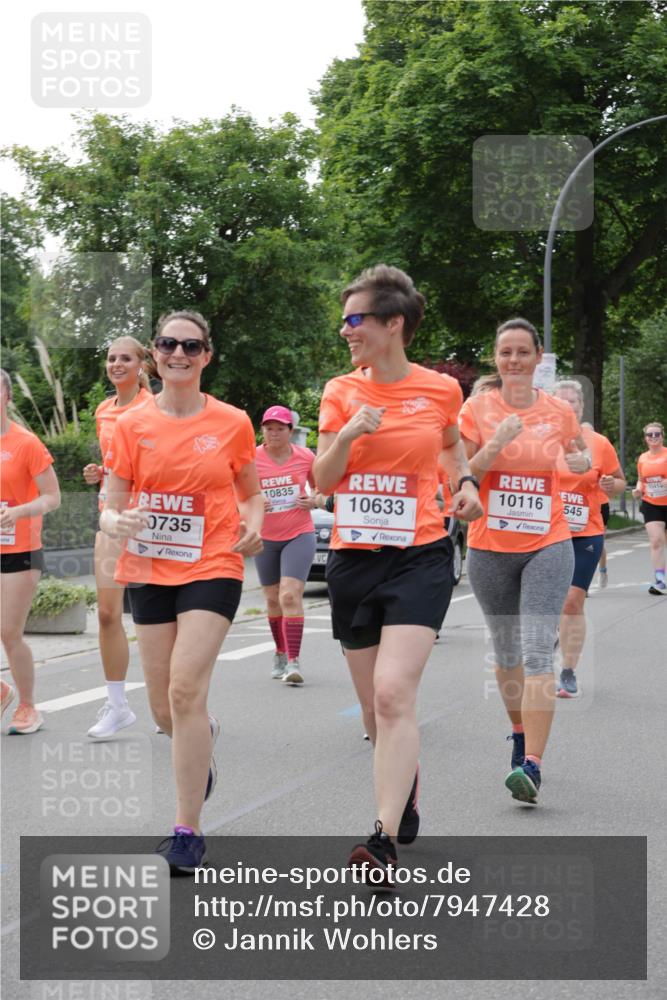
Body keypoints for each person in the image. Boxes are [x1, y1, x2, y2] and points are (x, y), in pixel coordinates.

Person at [314, 265, 482, 881]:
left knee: (392, 694)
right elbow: (322, 480)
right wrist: (348, 434)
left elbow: (450, 446)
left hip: (420, 555)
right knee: (372, 710)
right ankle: (404, 787)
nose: (345, 330)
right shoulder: (340, 391)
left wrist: (465, 483)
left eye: (354, 320)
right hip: (354, 559)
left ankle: (381, 840)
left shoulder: (440, 390)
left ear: (393, 324)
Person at [100, 310, 263, 873]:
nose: (179, 354)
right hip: (148, 567)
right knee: (163, 707)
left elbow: (250, 492)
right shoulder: (131, 424)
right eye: (169, 344)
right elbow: (111, 502)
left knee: (185, 689)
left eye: (191, 346)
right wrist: (114, 521)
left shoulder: (232, 422)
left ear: (206, 356)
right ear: (156, 353)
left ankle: (186, 831)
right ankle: (201, 743)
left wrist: (253, 522)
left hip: (212, 563)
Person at [459, 319, 590, 805]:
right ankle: (518, 733)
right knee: (507, 652)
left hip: (548, 542)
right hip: (490, 546)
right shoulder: (476, 408)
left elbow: (578, 455)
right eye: (505, 352)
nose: (513, 360)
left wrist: (580, 463)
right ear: (496, 358)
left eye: (522, 352)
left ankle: (532, 764)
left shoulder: (558, 411)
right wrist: (497, 442)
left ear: (537, 357)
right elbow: (461, 474)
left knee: (537, 651)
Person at [82, 337, 153, 738]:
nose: (117, 364)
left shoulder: (154, 408)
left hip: (150, 523)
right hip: (111, 520)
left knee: (157, 618)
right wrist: (99, 473)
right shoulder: (103, 410)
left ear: (142, 365)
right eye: (111, 358)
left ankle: (177, 699)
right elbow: (115, 463)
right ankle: (118, 705)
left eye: (126, 358)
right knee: (108, 614)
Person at [552, 380, 625, 697]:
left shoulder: (598, 443)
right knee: (547, 601)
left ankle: (568, 671)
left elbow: (619, 481)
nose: (568, 407)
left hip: (585, 532)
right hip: (545, 533)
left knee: (572, 600)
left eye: (574, 402)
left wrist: (611, 485)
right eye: (562, 402)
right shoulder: (537, 440)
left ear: (581, 407)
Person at [1, 369, 61, 734]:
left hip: (19, 549)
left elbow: (53, 497)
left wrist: (19, 512)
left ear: (7, 396)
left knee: (8, 632)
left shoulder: (26, 443)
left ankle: (27, 707)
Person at [254, 405, 318, 684]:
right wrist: (255, 501)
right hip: (265, 537)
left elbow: (321, 488)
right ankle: (280, 652)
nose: (274, 433)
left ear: (291, 431)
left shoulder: (306, 457)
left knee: (289, 596)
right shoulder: (251, 459)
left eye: (280, 428)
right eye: (269, 428)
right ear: (262, 430)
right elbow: (238, 493)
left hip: (299, 533)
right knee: (272, 599)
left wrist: (313, 500)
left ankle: (293, 661)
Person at [632, 421, 667, 595]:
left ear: (662, 436)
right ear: (645, 438)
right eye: (650, 435)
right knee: (656, 541)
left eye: (657, 434)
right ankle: (660, 581)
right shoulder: (643, 458)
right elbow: (641, 479)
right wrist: (638, 489)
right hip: (651, 503)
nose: (653, 437)